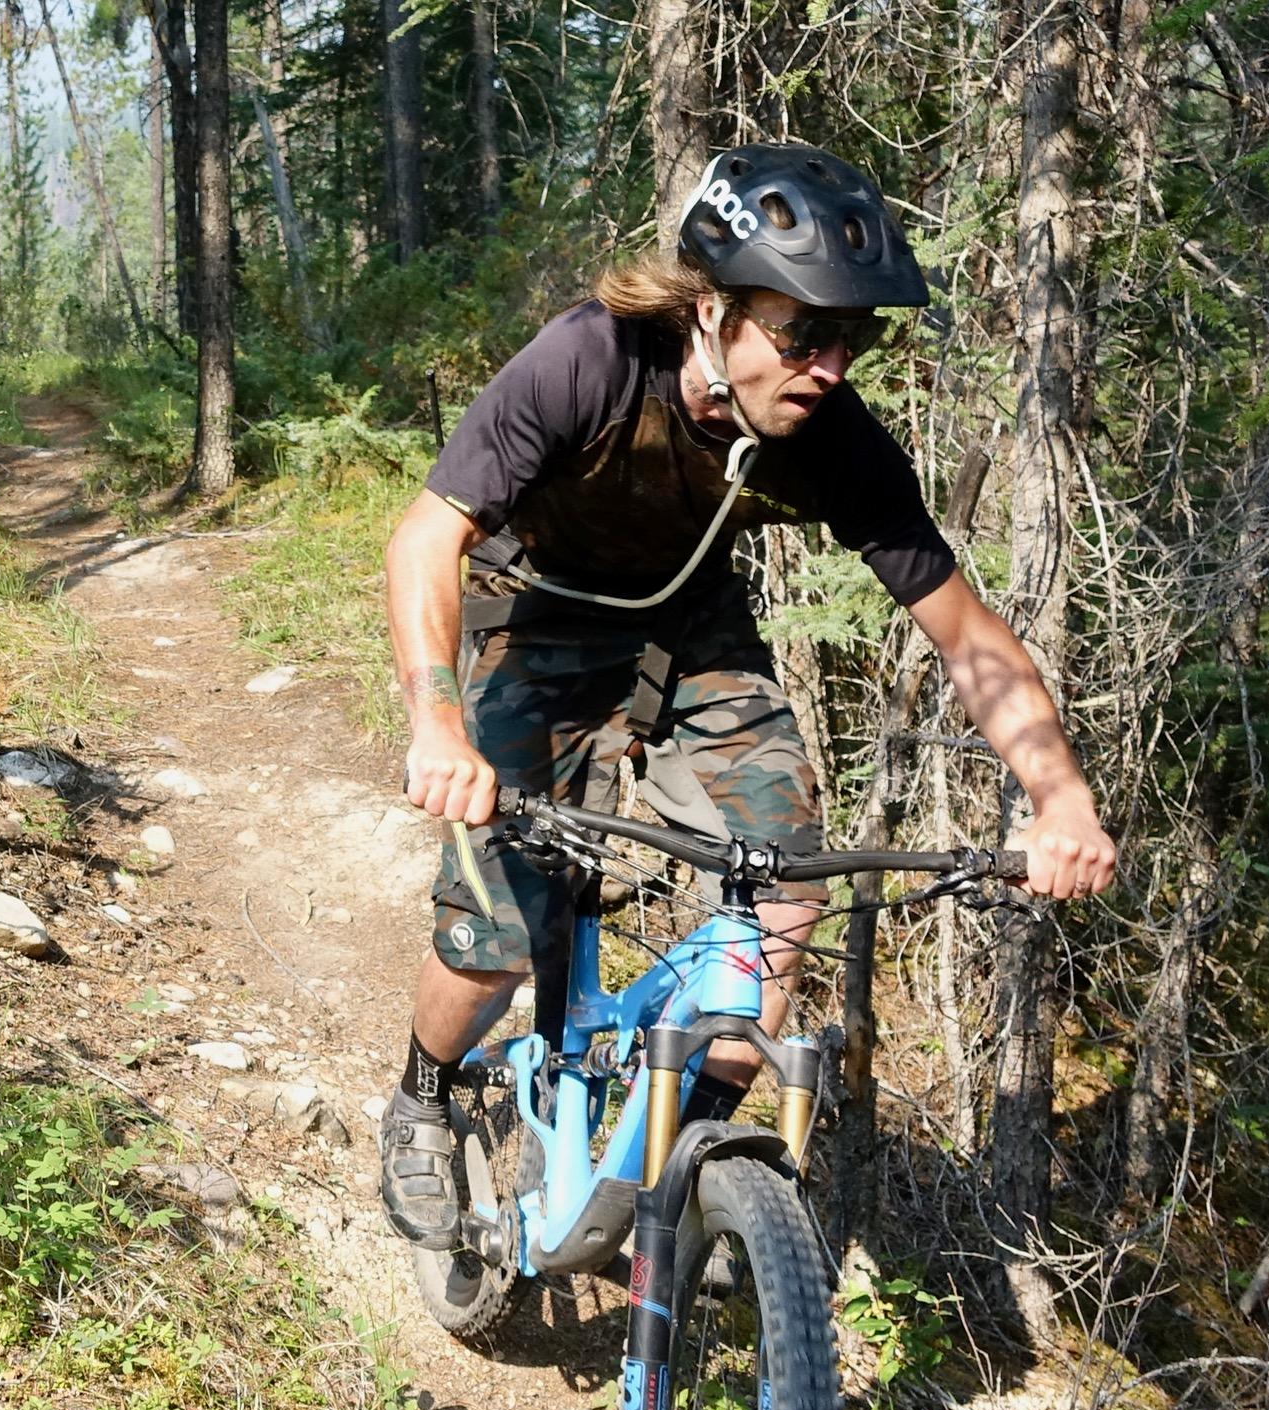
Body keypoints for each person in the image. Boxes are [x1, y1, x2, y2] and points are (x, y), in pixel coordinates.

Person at [378, 143, 1116, 1248]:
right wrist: (437, 717)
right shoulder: (589, 361)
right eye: (799, 334)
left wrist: (1058, 795)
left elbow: (968, 638)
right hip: (531, 615)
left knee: (782, 885)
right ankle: (422, 1097)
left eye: (848, 341)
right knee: (497, 922)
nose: (825, 365)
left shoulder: (833, 439)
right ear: (710, 313)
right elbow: (425, 536)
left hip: (687, 633)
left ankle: (691, 1168)